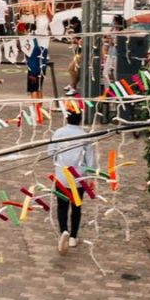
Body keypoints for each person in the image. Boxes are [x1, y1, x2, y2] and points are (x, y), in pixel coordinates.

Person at [48, 102, 95, 254]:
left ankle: (63, 231)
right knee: (76, 207)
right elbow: (90, 159)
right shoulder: (86, 136)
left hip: (61, 176)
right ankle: (73, 236)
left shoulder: (58, 133)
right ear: (80, 119)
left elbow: (50, 153)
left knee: (62, 206)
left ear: (67, 118)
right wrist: (91, 177)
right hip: (78, 178)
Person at [26, 35, 50, 100]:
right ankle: (39, 106)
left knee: (33, 90)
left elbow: (28, 54)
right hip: (42, 68)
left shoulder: (32, 42)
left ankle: (35, 106)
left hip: (33, 69)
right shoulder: (45, 44)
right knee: (39, 88)